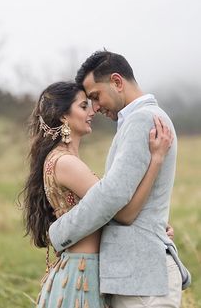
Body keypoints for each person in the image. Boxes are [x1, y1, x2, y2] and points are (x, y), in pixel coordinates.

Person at [48, 51, 191, 308]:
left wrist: (59, 232)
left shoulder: (142, 119)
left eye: (95, 97)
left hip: (143, 280)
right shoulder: (135, 121)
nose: (96, 107)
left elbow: (112, 196)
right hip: (136, 277)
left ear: (116, 82)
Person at [21, 81, 174, 308]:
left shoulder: (60, 159)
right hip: (83, 274)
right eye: (84, 106)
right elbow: (122, 211)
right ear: (63, 116)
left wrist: (153, 230)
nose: (92, 111)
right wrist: (156, 161)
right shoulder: (66, 163)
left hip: (81, 268)